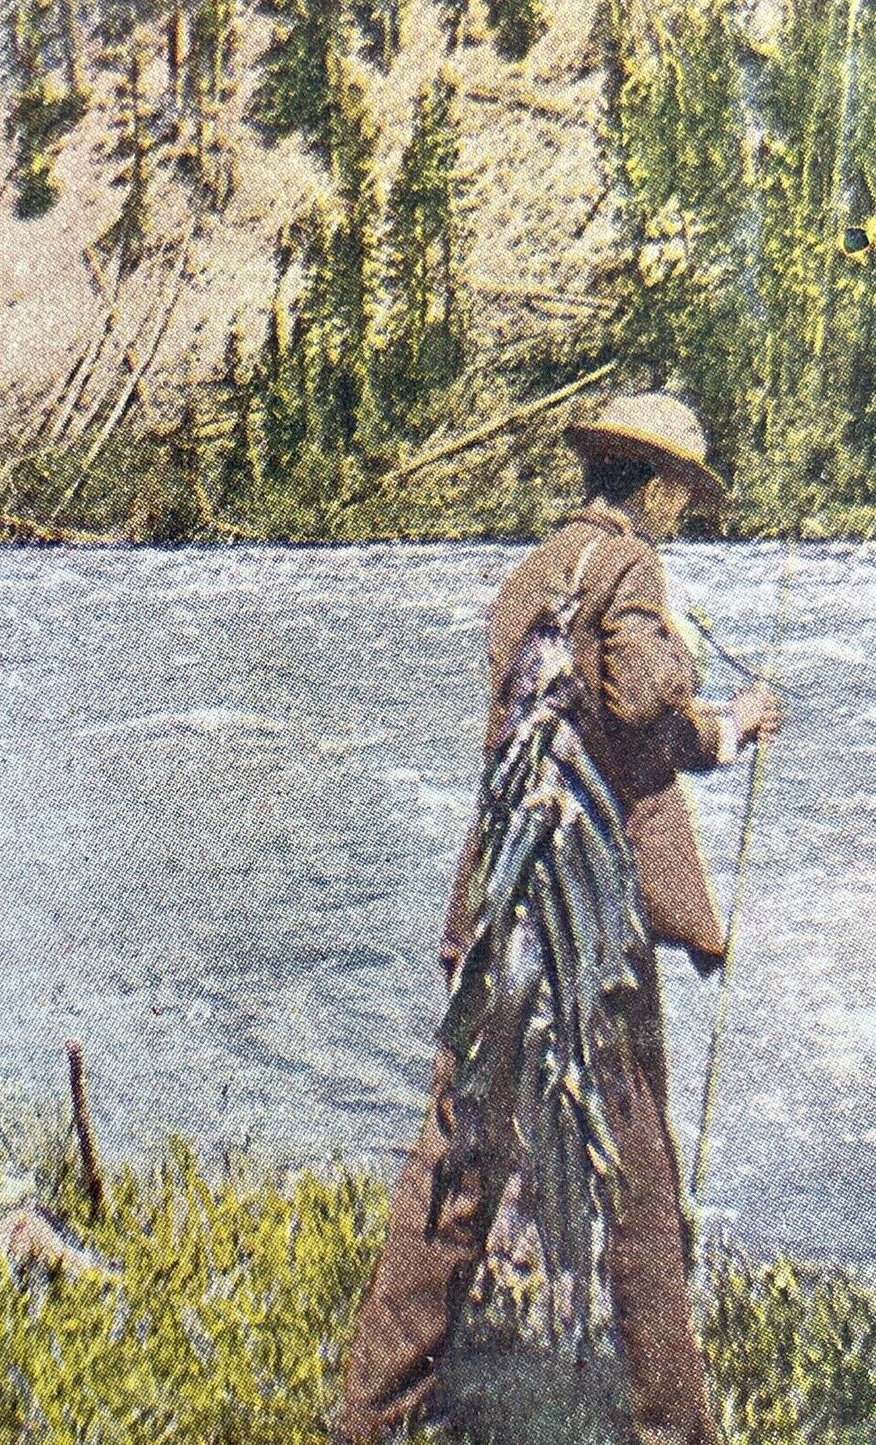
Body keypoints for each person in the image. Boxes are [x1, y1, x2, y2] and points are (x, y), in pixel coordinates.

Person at [335, 393, 782, 1445]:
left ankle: (372, 1414)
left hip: (498, 911)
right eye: (682, 492)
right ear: (659, 486)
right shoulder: (630, 567)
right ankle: (673, 1426)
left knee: (455, 1160)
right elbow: (635, 702)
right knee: (634, 1173)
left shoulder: (523, 576)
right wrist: (725, 724)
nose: (680, 511)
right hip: (584, 924)